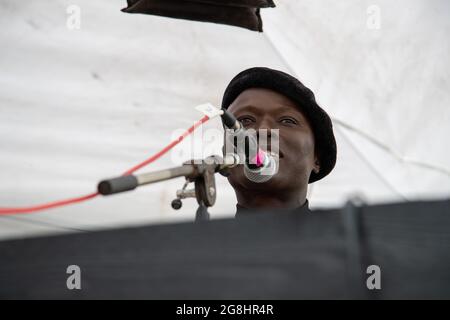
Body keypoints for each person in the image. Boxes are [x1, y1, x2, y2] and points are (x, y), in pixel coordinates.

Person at [220, 67, 337, 216]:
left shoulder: (355, 235)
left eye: (287, 120)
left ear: (317, 159)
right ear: (225, 154)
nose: (263, 130)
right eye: (245, 120)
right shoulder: (195, 239)